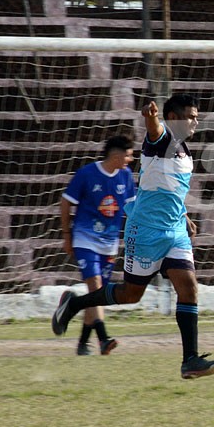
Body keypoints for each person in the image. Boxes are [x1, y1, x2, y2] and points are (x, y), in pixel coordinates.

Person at [52, 93, 214, 379]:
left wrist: (184, 216)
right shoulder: (162, 139)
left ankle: (190, 360)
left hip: (174, 231)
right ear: (173, 117)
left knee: (189, 287)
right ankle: (75, 303)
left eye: (197, 116)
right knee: (132, 294)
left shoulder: (183, 148)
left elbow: (168, 188)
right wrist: (150, 117)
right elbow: (154, 130)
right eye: (191, 116)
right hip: (145, 231)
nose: (196, 121)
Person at [60, 135, 136, 356]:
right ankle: (103, 339)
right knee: (95, 286)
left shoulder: (126, 176)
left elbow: (132, 209)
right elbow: (65, 203)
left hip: (109, 243)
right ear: (116, 154)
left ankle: (83, 342)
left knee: (97, 294)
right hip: (85, 239)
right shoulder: (86, 174)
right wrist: (67, 235)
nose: (130, 160)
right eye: (129, 155)